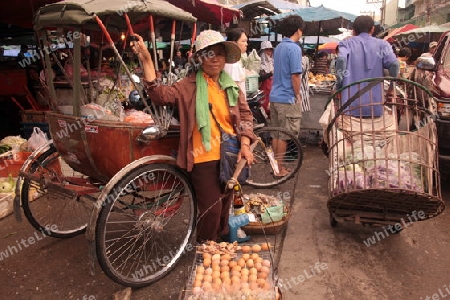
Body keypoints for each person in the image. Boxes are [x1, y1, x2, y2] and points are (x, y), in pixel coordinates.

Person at [130, 30, 255, 243]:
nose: (214, 58)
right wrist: (148, 61)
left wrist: (244, 143)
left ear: (225, 58)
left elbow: (245, 116)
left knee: (225, 206)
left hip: (230, 155)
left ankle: (221, 249)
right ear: (200, 58)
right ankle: (205, 248)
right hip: (202, 158)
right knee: (211, 211)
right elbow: (160, 95)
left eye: (219, 53)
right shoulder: (187, 86)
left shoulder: (230, 86)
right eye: (208, 54)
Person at [335, 15, 399, 118]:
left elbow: (341, 60)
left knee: (348, 132)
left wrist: (339, 84)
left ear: (353, 30)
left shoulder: (346, 43)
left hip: (350, 107)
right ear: (372, 29)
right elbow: (395, 65)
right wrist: (391, 88)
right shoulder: (383, 45)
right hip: (375, 107)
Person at [269, 15, 304, 177]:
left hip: (275, 96)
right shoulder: (294, 48)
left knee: (276, 134)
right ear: (298, 30)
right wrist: (298, 95)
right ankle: (279, 169)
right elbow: (295, 76)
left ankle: (276, 167)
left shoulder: (279, 47)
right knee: (284, 135)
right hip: (287, 97)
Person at [223, 28, 248, 96]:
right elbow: (233, 92)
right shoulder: (232, 64)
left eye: (246, 41)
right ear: (234, 43)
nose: (246, 44)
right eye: (243, 41)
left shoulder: (232, 61)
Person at [259, 40, 274, 115]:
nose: (269, 52)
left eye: (270, 50)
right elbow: (260, 77)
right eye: (267, 50)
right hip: (263, 90)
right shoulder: (259, 63)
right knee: (264, 107)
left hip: (271, 90)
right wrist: (270, 73)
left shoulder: (272, 62)